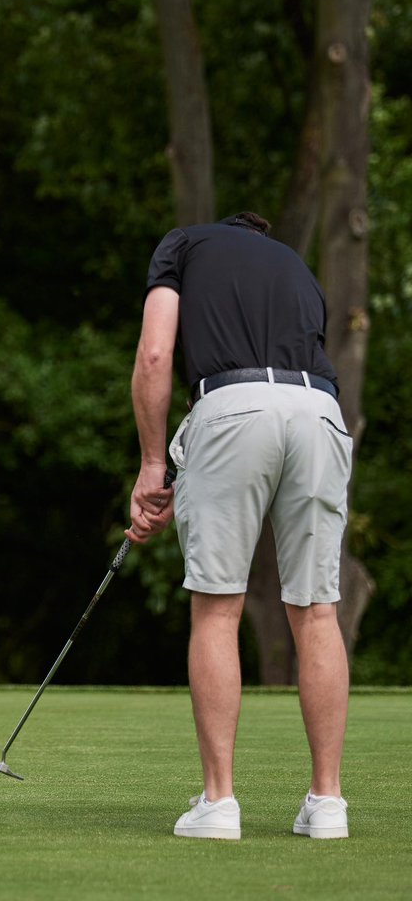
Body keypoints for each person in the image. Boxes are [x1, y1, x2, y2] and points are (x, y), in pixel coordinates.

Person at [126, 211, 352, 841]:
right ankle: (327, 804)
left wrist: (152, 466)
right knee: (318, 609)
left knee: (218, 607)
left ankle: (220, 803)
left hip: (232, 405)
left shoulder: (182, 244)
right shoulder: (298, 270)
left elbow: (154, 353)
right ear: (261, 235)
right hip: (320, 412)